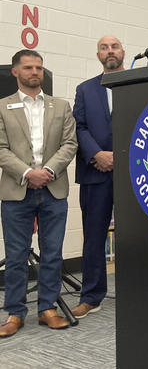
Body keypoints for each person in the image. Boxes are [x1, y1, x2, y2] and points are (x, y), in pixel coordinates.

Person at [0, 49, 77, 337]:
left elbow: (70, 143)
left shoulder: (61, 106)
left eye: (39, 67)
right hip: (16, 191)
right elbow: (1, 149)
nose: (35, 72)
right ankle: (15, 314)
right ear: (15, 72)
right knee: (17, 256)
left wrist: (48, 172)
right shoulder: (1, 107)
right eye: (29, 67)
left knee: (53, 253)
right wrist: (27, 173)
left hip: (53, 189)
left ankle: (47, 309)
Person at [70, 35, 124, 319]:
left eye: (114, 46)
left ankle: (139, 291)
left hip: (133, 174)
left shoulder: (140, 83)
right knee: (94, 237)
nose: (110, 51)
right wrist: (97, 155)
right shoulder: (85, 89)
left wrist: (121, 156)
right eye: (104, 47)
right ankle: (91, 296)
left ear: (123, 52)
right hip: (95, 172)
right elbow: (78, 127)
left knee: (141, 237)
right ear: (98, 55)